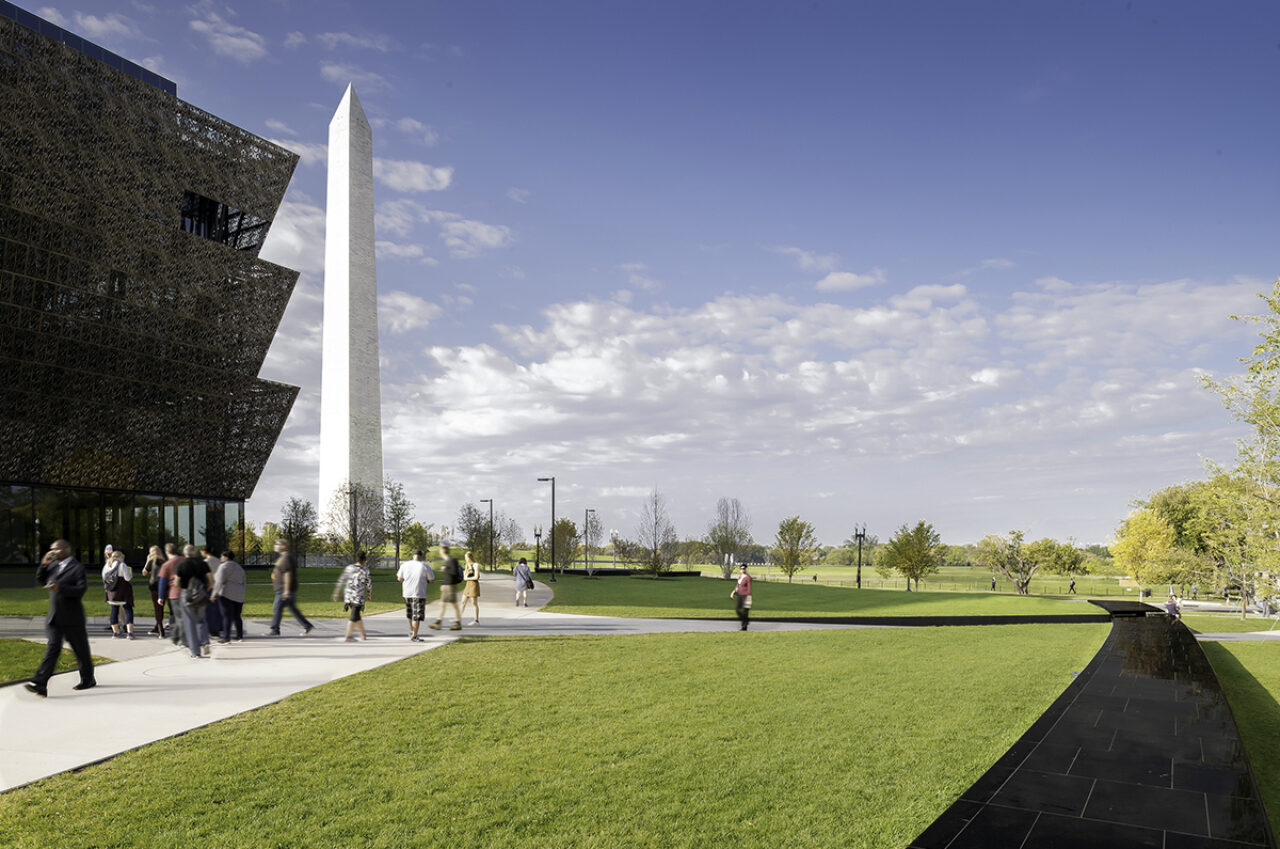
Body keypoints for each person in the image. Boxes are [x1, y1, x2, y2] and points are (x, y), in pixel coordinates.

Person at [25, 539, 95, 697]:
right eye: (51, 549)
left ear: (66, 549)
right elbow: (41, 580)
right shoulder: (54, 566)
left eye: (55, 549)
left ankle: (88, 679)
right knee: (52, 649)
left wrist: (60, 587)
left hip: (72, 618)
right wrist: (43, 564)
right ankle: (41, 683)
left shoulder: (77, 568)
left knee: (81, 651)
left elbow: (80, 590)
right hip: (55, 618)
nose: (52, 552)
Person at [269, 539, 314, 636]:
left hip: (283, 589)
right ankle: (307, 625)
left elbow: (287, 574)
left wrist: (286, 590)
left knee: (277, 608)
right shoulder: (284, 557)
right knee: (292, 609)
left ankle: (274, 630)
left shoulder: (286, 558)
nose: (275, 546)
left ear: (284, 546)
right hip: (284, 589)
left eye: (277, 544)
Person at [176, 544, 213, 658]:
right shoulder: (203, 563)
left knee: (190, 623)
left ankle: (195, 652)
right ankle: (205, 641)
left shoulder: (181, 565)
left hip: (187, 595)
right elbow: (211, 580)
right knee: (201, 620)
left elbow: (177, 582)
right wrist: (206, 590)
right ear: (195, 553)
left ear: (185, 553)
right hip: (201, 594)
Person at [334, 552, 373, 642]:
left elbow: (341, 580)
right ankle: (348, 636)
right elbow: (369, 583)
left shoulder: (349, 568)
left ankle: (363, 634)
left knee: (356, 615)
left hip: (348, 596)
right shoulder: (365, 570)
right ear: (364, 560)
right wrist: (369, 594)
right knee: (353, 616)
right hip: (358, 596)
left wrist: (336, 592)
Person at [397, 549, 434, 641]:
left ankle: (412, 630)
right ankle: (414, 635)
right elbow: (431, 580)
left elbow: (399, 578)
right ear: (421, 556)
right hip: (419, 593)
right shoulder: (425, 566)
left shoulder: (404, 565)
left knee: (410, 613)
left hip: (407, 592)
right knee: (416, 615)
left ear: (412, 556)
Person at [211, 550, 246, 644]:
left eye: (222, 556)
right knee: (237, 616)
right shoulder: (239, 567)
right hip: (239, 593)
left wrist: (214, 594)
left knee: (226, 616)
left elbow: (219, 581)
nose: (221, 558)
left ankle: (226, 638)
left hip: (227, 593)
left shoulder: (223, 567)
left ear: (226, 557)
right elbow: (243, 580)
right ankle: (240, 636)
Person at [103, 549, 135, 639]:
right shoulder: (122, 565)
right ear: (120, 557)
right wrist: (130, 574)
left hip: (112, 592)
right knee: (128, 610)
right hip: (123, 591)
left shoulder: (108, 565)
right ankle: (130, 633)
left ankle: (116, 632)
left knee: (114, 610)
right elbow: (127, 578)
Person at [431, 544, 464, 631]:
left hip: (451, 586)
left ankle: (458, 623)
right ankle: (438, 622)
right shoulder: (447, 561)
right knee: (442, 604)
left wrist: (445, 569)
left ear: (442, 552)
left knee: (454, 605)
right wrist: (443, 584)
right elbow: (447, 576)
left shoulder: (452, 560)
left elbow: (454, 573)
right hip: (446, 586)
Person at [158, 542, 183, 643]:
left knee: (179, 617)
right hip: (187, 591)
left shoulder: (166, 565)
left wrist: (160, 596)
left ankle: (178, 638)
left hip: (175, 593)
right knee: (183, 617)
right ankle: (178, 637)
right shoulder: (184, 560)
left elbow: (162, 582)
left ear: (167, 552)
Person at [140, 545, 165, 636]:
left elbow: (144, 572)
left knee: (157, 608)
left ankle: (160, 629)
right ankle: (157, 626)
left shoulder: (152, 561)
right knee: (161, 607)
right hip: (164, 586)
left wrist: (147, 561)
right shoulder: (164, 561)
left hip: (154, 586)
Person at [200, 545, 224, 639]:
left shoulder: (205, 562)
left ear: (204, 552)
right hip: (219, 587)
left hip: (210, 587)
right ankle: (219, 628)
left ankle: (212, 630)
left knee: (210, 610)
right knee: (218, 609)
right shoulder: (218, 561)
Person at [461, 551, 481, 625]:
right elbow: (464, 577)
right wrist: (466, 577)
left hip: (474, 585)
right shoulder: (467, 566)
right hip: (468, 585)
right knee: (463, 602)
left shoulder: (476, 565)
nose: (466, 559)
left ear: (470, 557)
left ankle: (476, 620)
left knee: (474, 603)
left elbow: (476, 577)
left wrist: (467, 578)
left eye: (466, 558)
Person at [731, 564, 752, 631]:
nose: (742, 570)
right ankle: (746, 620)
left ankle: (744, 627)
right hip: (739, 595)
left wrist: (749, 597)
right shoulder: (740, 577)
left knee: (745, 611)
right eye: (741, 568)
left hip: (746, 596)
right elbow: (738, 585)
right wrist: (733, 592)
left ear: (746, 569)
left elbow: (749, 588)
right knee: (737, 610)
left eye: (744, 568)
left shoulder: (748, 577)